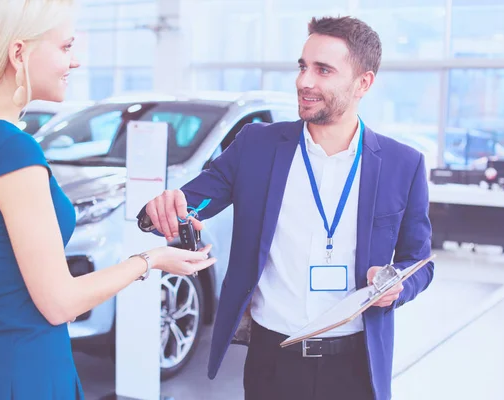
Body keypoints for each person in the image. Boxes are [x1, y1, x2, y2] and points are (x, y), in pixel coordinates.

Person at [0, 1, 215, 399]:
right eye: (65, 47)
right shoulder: (12, 151)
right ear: (18, 53)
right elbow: (60, 304)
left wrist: (10, 289)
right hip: (27, 374)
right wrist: (151, 260)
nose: (75, 62)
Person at [144, 16, 434, 400]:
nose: (304, 81)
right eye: (302, 66)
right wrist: (163, 210)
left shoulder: (403, 164)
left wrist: (398, 283)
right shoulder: (257, 146)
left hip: (355, 367)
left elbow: (420, 260)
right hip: (272, 363)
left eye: (323, 70)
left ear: (363, 83)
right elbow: (191, 203)